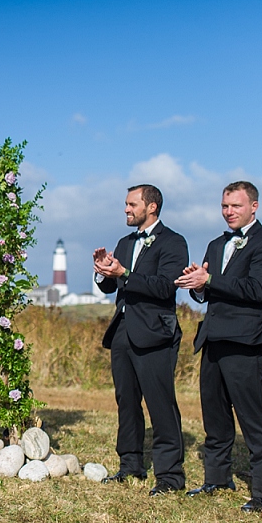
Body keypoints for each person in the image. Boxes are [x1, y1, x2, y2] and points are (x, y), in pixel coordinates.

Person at [175, 181, 262, 512]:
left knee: (254, 418)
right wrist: (197, 285)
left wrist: (210, 280)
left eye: (235, 206)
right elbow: (207, 292)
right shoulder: (214, 244)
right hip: (213, 338)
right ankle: (217, 478)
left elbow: (256, 289)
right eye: (224, 206)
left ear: (254, 206)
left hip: (246, 342)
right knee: (215, 416)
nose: (228, 212)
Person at [93, 184, 188, 496]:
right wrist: (103, 273)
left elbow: (164, 287)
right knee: (126, 401)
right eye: (125, 204)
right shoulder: (124, 242)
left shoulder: (173, 242)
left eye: (132, 204)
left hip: (156, 332)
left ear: (152, 207)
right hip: (122, 331)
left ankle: (170, 476)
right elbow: (111, 287)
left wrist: (125, 273)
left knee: (160, 403)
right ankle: (130, 464)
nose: (126, 209)